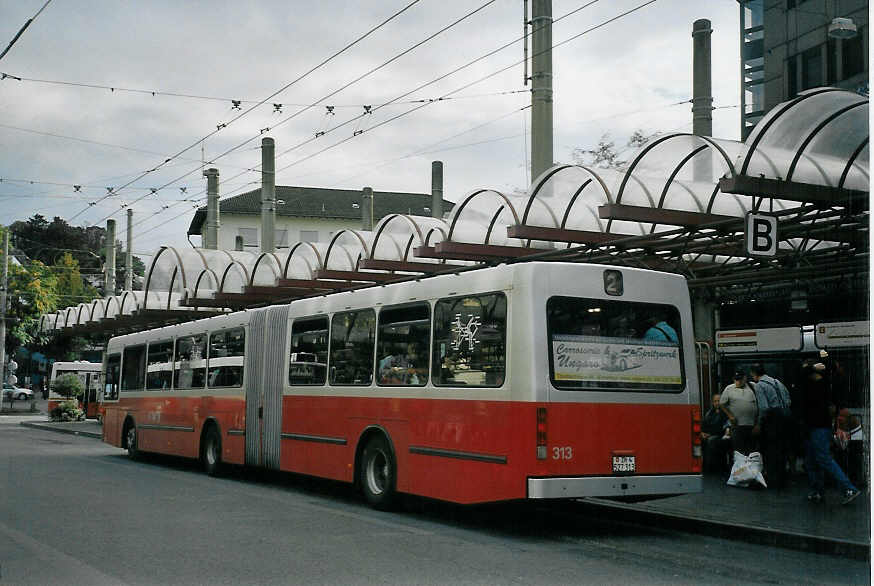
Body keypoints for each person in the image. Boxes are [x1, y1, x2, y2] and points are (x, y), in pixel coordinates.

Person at [801, 358, 860, 505]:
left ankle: (849, 488)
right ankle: (817, 491)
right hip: (813, 427)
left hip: (818, 427)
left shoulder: (821, 384)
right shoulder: (818, 383)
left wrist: (810, 367)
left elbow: (801, 371)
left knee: (823, 459)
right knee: (811, 461)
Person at [750, 363, 791, 489]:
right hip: (785, 418)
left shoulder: (759, 386)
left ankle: (773, 479)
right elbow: (788, 400)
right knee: (782, 448)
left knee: (771, 450)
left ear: (753, 373)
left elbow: (764, 407)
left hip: (772, 420)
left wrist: (759, 423)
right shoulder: (777, 382)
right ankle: (783, 478)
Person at [719, 371, 759, 456]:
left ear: (745, 378)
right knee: (739, 452)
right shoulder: (729, 388)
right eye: (736, 380)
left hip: (752, 425)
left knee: (752, 451)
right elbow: (722, 403)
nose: (738, 382)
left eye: (740, 380)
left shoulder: (752, 386)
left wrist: (757, 423)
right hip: (737, 426)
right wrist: (730, 416)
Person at [701, 393, 731, 475]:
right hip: (709, 434)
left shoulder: (725, 413)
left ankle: (712, 469)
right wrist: (702, 433)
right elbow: (704, 424)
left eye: (719, 401)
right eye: (715, 401)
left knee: (711, 441)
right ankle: (705, 467)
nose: (717, 403)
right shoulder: (709, 413)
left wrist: (709, 434)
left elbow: (723, 427)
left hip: (721, 435)